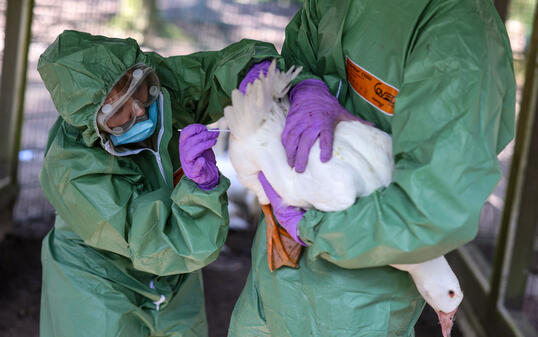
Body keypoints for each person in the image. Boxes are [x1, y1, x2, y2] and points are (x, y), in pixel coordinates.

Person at [228, 0, 516, 336]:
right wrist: (306, 84)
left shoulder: (458, 32)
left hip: (356, 302)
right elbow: (299, 54)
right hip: (274, 271)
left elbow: (432, 208)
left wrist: (312, 228)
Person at [37, 30, 279, 337]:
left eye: (138, 90)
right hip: (100, 276)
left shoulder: (162, 88)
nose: (139, 109)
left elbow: (215, 74)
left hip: (175, 274)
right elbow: (168, 244)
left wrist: (255, 73)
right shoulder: (75, 172)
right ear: (93, 125)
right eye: (119, 112)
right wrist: (200, 189)